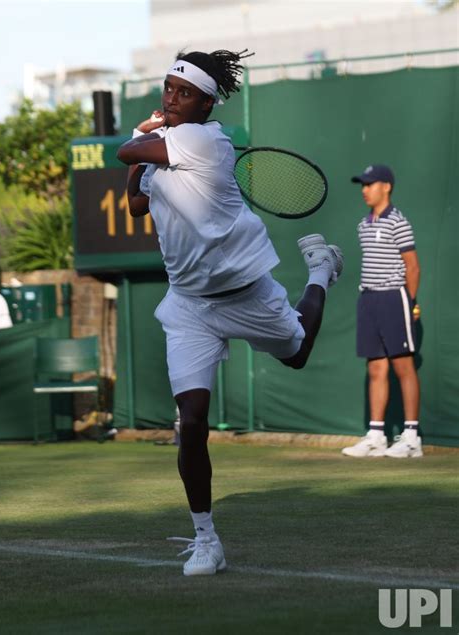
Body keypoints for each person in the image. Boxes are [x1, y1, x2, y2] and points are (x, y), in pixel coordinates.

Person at [117, 48, 343, 576]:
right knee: (191, 421)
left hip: (244, 292)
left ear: (205, 105)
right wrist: (143, 152)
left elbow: (129, 153)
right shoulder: (168, 146)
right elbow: (135, 201)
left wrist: (139, 136)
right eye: (168, 88)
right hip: (190, 306)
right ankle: (206, 541)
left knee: (298, 352)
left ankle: (319, 270)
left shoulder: (202, 140)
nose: (171, 99)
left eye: (184, 94)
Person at [342, 164, 422, 460]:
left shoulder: (398, 222)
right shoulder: (364, 224)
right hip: (369, 299)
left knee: (403, 366)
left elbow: (412, 266)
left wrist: (410, 302)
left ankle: (412, 438)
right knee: (375, 367)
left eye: (370, 184)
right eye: (362, 185)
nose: (364, 190)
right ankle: (376, 436)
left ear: (386, 186)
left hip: (394, 298)